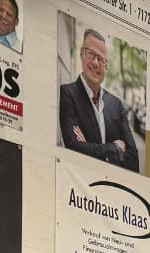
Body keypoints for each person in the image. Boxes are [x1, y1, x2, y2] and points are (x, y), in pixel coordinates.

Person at [60, 29, 140, 171]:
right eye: (91, 54)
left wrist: (89, 148)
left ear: (106, 66)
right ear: (81, 53)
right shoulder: (67, 94)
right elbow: (73, 147)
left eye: (101, 59)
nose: (96, 63)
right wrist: (114, 148)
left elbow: (133, 158)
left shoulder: (116, 104)